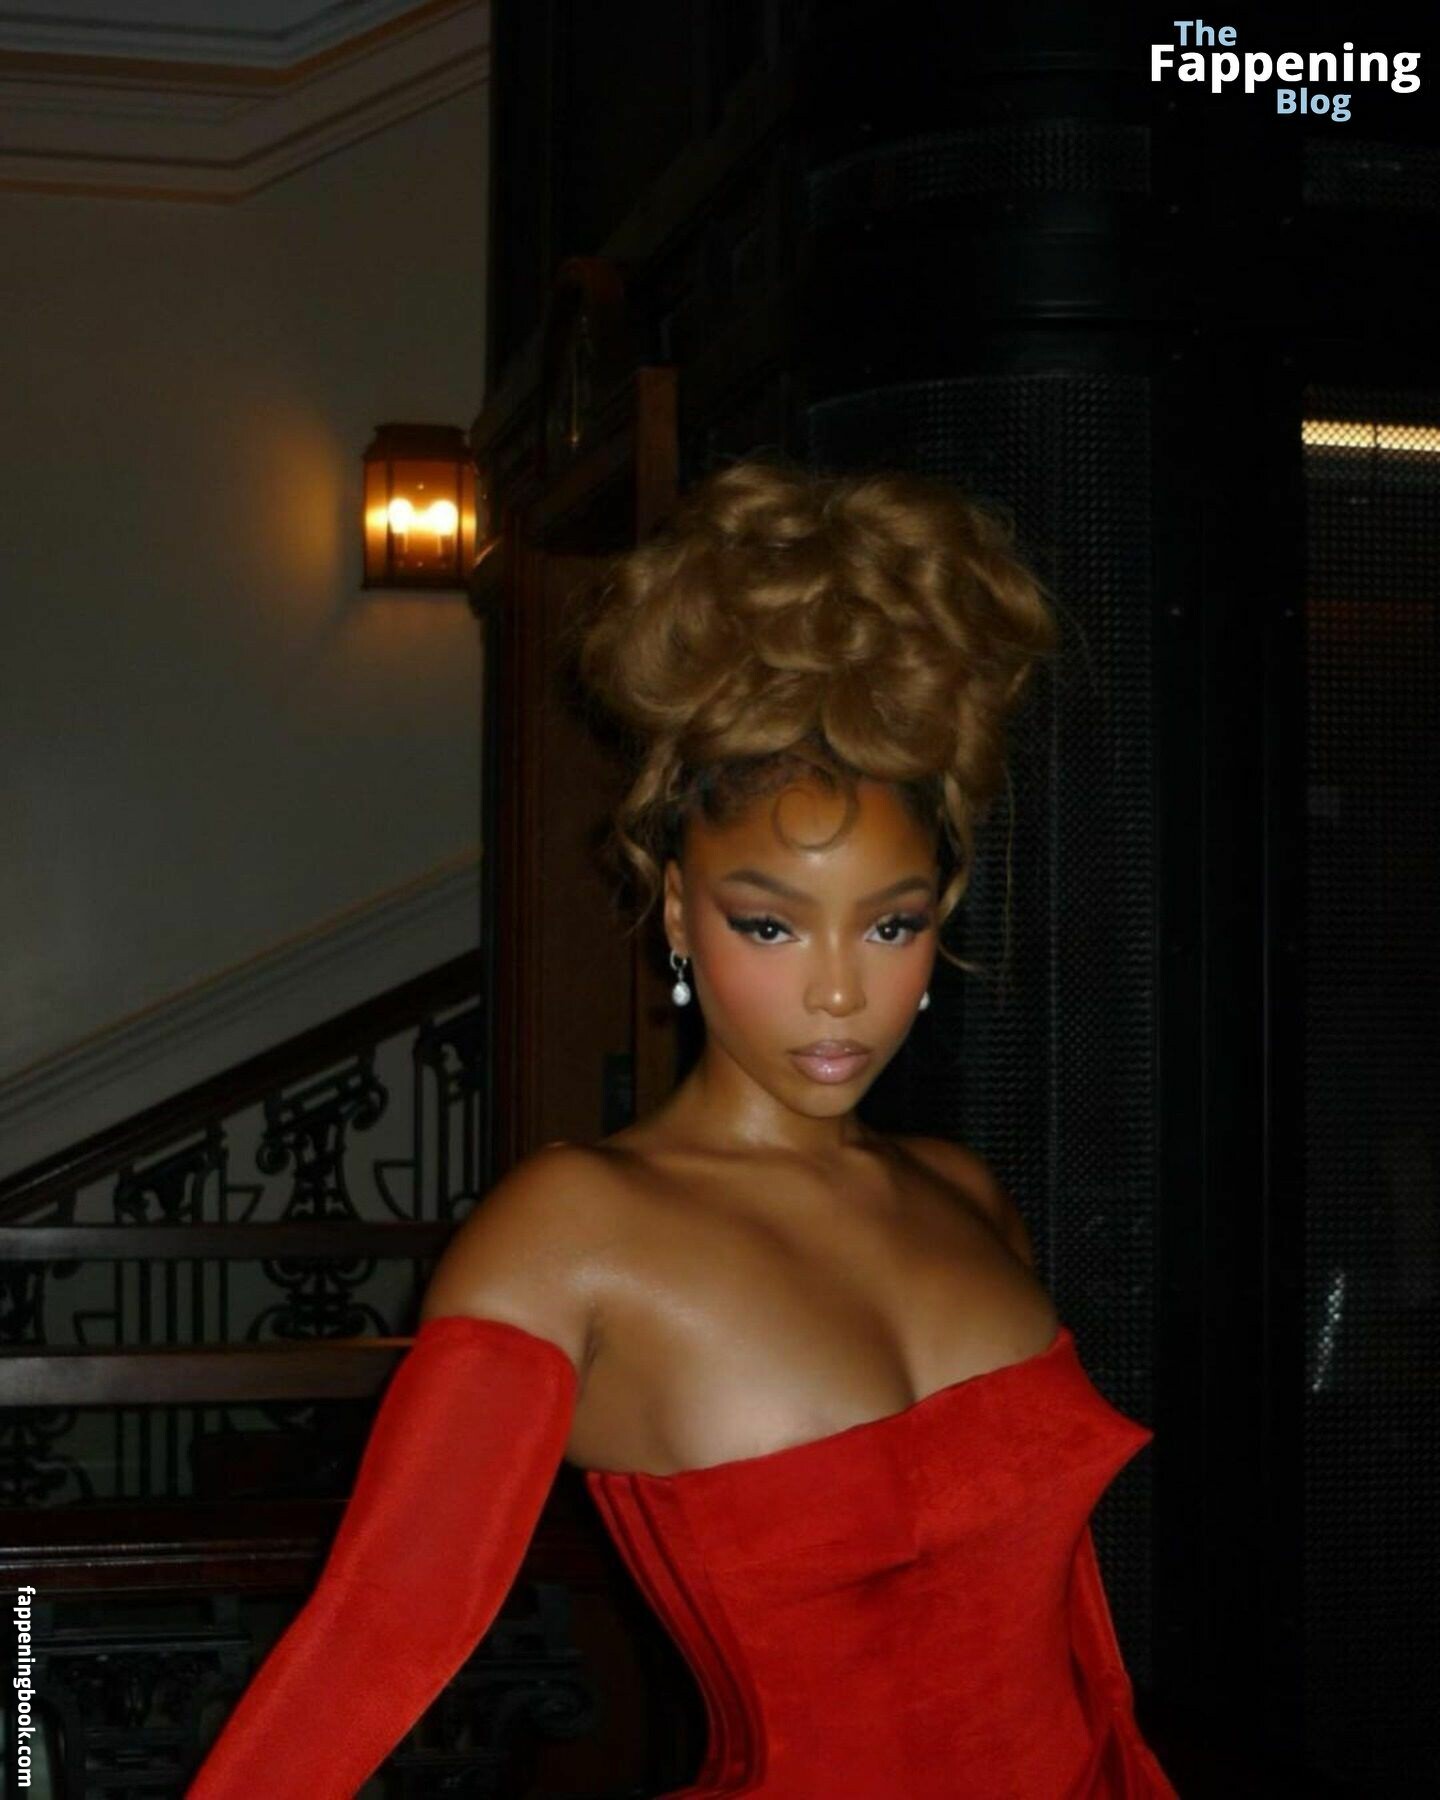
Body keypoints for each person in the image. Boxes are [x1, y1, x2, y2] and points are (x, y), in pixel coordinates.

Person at [188, 458, 1179, 1797]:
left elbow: (1084, 1659)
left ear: (940, 916)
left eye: (890, 923)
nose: (839, 991)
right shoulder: (572, 1237)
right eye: (768, 924)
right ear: (674, 911)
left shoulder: (964, 1196)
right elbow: (374, 1636)